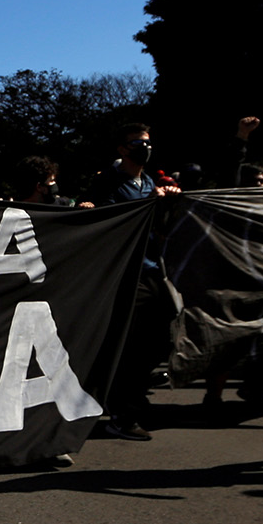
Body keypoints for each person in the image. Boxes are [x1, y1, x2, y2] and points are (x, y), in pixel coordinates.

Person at [87, 122, 180, 440]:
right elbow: (110, 220)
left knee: (161, 340)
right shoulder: (108, 182)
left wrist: (167, 202)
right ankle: (122, 412)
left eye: (148, 142)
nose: (145, 148)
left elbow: (160, 227)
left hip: (154, 270)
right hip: (127, 273)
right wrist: (149, 203)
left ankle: (129, 398)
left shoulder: (149, 181)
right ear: (122, 149)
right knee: (130, 344)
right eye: (137, 143)